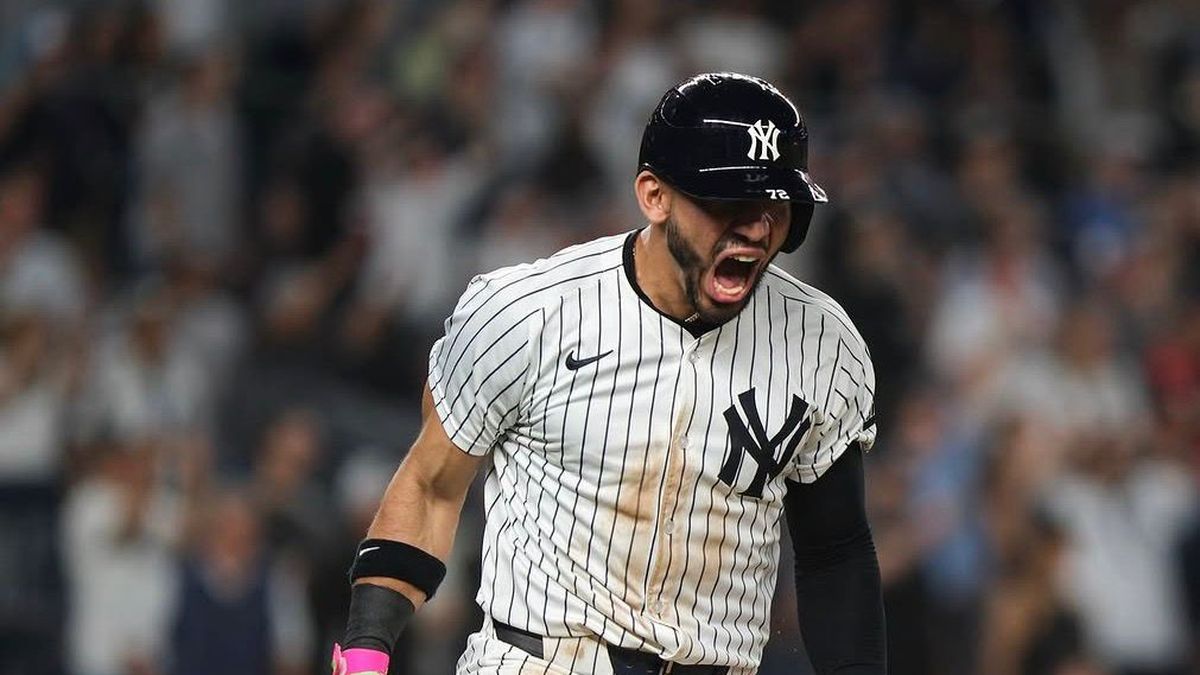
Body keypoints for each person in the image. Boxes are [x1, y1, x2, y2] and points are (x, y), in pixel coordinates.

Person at [332, 72, 885, 675]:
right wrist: (366, 649)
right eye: (727, 200)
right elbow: (430, 487)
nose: (756, 226)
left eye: (774, 204)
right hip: (542, 659)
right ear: (654, 196)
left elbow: (836, 550)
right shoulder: (530, 312)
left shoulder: (822, 343)